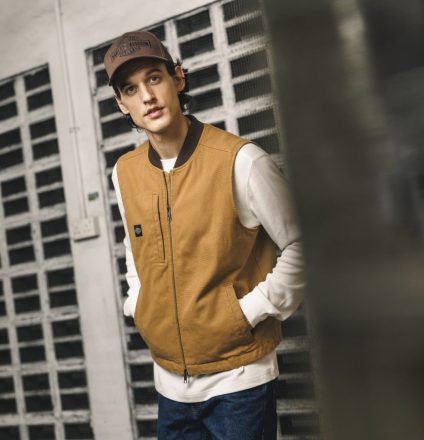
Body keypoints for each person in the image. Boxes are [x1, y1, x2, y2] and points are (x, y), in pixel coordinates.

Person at [104, 30, 306, 439]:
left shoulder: (241, 160)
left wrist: (248, 311)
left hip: (240, 382)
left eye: (154, 78)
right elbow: (134, 245)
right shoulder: (124, 172)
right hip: (170, 385)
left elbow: (303, 244)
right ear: (122, 104)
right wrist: (138, 301)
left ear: (177, 78)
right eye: (131, 88)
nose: (147, 96)